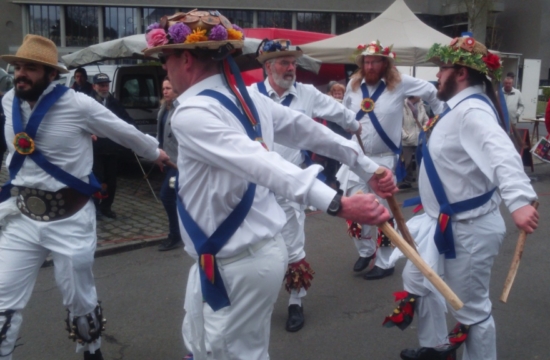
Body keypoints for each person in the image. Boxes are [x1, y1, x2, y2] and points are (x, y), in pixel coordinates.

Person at [142, 10, 395, 360]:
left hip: (239, 262)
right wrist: (368, 167)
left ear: (185, 58)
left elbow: (264, 159)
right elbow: (309, 131)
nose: (163, 69)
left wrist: (338, 202)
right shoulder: (246, 98)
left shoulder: (193, 113)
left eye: (164, 59)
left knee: (235, 354)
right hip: (225, 257)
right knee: (201, 342)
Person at [0, 34, 168, 360]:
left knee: (78, 297)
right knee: (2, 297)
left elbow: (124, 131)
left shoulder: (78, 103)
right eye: (18, 66)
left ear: (51, 73)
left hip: (69, 218)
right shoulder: (8, 101)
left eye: (30, 68)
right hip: (20, 215)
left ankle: (91, 350)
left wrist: (156, 152)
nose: (21, 73)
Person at [398, 35, 538, 360]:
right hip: (441, 223)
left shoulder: (472, 111)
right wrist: (383, 71)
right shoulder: (454, 107)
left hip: (469, 230)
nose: (437, 76)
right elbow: (425, 90)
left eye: (442, 69)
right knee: (419, 279)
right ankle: (435, 348)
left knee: (472, 310)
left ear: (461, 73)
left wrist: (518, 202)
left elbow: (502, 153)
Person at [250, 38, 362, 332]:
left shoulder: (308, 94)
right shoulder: (250, 96)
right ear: (267, 66)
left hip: (299, 181)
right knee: (258, 244)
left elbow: (339, 113)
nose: (291, 68)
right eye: (285, 62)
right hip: (259, 183)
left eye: (294, 63)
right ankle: (258, 297)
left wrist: (358, 125)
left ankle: (296, 301)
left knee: (294, 242)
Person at [338, 40, 444, 280]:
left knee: (383, 212)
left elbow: (431, 92)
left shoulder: (401, 83)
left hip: (384, 159)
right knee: (354, 210)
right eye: (366, 61)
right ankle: (365, 250)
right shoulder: (353, 86)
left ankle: (386, 262)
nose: (370, 65)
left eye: (375, 61)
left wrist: (440, 120)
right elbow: (345, 114)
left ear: (385, 63)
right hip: (356, 158)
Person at [90, 73, 136, 219]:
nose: (104, 88)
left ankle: (106, 207)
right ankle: (95, 207)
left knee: (111, 181)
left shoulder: (114, 102)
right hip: (95, 148)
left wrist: (135, 132)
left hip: (112, 148)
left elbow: (126, 119)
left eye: (106, 85)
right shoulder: (88, 102)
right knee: (97, 179)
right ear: (94, 86)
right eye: (101, 85)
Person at [157, 77, 182, 251]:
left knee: (167, 195)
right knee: (178, 198)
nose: (165, 91)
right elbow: (162, 135)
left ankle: (175, 234)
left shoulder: (181, 109)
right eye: (163, 88)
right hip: (168, 162)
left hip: (179, 165)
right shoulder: (163, 109)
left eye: (169, 88)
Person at [398, 96, 429, 189]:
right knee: (407, 162)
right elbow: (398, 123)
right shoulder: (402, 106)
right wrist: (404, 136)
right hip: (407, 139)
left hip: (419, 137)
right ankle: (408, 180)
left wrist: (424, 129)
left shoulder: (421, 105)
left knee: (421, 160)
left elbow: (426, 120)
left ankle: (422, 179)